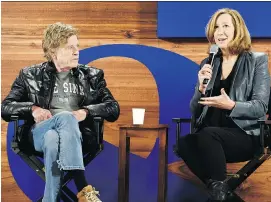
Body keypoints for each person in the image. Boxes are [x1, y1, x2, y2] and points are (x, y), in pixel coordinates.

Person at [1, 22, 120, 202]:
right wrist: (32, 109)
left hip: (78, 137)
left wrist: (85, 112)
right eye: (70, 47)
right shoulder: (30, 75)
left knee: (52, 138)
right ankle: (83, 187)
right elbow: (6, 107)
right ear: (54, 51)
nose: (76, 51)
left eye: (77, 46)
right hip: (37, 134)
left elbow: (113, 108)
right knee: (62, 119)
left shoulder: (92, 76)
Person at [177, 8, 270, 201]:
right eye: (216, 27)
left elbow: (261, 107)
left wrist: (231, 105)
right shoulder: (209, 62)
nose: (220, 32)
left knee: (208, 134)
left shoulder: (256, 61)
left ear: (238, 30)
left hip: (244, 135)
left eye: (226, 26)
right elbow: (195, 111)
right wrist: (200, 90)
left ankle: (220, 194)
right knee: (184, 143)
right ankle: (224, 195)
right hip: (209, 136)